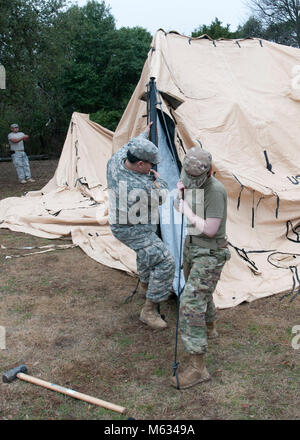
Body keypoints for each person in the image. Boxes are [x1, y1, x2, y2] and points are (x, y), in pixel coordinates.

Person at [171, 146, 230, 389]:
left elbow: (210, 229)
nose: (190, 181)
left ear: (208, 172)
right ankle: (210, 325)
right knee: (199, 292)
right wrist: (181, 198)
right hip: (192, 245)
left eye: (195, 179)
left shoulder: (215, 190)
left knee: (191, 302)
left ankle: (198, 369)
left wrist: (187, 211)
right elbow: (180, 203)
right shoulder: (189, 178)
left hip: (210, 250)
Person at [106, 123, 175, 330]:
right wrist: (160, 180)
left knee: (146, 253)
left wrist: (145, 132)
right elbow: (162, 196)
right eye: (150, 164)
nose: (153, 167)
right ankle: (149, 310)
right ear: (139, 165)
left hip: (126, 221)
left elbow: (132, 143)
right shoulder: (139, 186)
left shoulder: (117, 159)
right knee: (166, 261)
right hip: (132, 228)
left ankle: (147, 285)